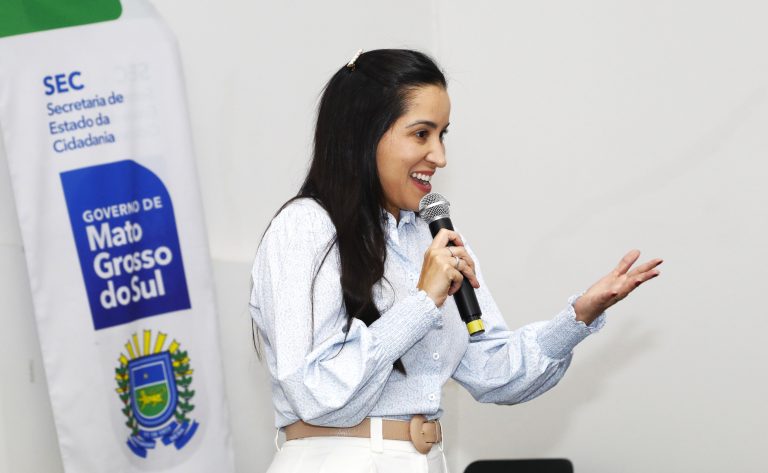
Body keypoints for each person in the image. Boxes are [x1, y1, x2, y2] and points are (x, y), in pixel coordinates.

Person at [248, 49, 662, 473]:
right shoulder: (305, 228)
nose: (440, 156)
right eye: (421, 134)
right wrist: (423, 302)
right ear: (362, 134)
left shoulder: (431, 235)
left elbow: (491, 371)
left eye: (442, 135)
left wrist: (578, 317)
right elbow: (314, 393)